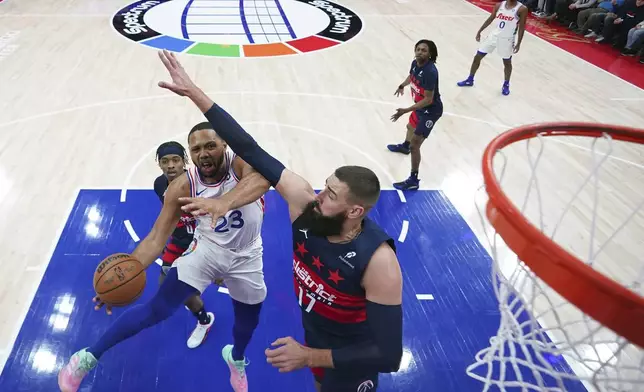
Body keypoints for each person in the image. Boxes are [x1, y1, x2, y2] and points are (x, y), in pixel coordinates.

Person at [156, 49, 403, 392]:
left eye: (331, 195)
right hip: (314, 332)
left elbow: (389, 356)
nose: (319, 195)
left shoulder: (378, 262)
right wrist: (194, 93)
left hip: (350, 355)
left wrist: (310, 356)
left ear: (355, 211)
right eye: (324, 186)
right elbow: (250, 148)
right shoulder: (305, 205)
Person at [58, 123, 271, 392]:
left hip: (248, 255)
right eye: (196, 149)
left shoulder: (240, 163)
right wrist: (122, 276)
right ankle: (87, 357)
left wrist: (223, 203)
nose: (203, 153)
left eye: (210, 146)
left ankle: (235, 357)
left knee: (247, 321)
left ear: (224, 145)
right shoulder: (183, 186)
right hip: (207, 251)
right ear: (190, 155)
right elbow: (157, 238)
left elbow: (260, 181)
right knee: (157, 309)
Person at [153, 141, 214, 349]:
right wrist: (162, 237)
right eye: (165, 161)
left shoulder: (201, 183)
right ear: (159, 164)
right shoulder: (159, 185)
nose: (170, 165)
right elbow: (167, 214)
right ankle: (203, 317)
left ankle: (203, 318)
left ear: (184, 162)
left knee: (187, 288)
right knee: (167, 286)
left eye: (175, 160)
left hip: (205, 242)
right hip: (179, 241)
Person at [386, 39, 443, 191]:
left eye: (424, 50)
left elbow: (428, 99)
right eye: (418, 49)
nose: (419, 52)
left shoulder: (431, 72)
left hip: (430, 110)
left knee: (415, 144)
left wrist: (406, 110)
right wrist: (402, 85)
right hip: (420, 106)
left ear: (430, 54)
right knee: (410, 126)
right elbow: (411, 77)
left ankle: (413, 179)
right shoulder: (415, 63)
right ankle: (404, 147)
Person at [457, 0, 528, 96]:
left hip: (507, 39)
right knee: (477, 56)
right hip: (493, 36)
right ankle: (470, 79)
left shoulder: (522, 9)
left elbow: (522, 27)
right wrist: (480, 31)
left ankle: (506, 84)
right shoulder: (499, 5)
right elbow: (490, 18)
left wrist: (519, 42)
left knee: (507, 62)